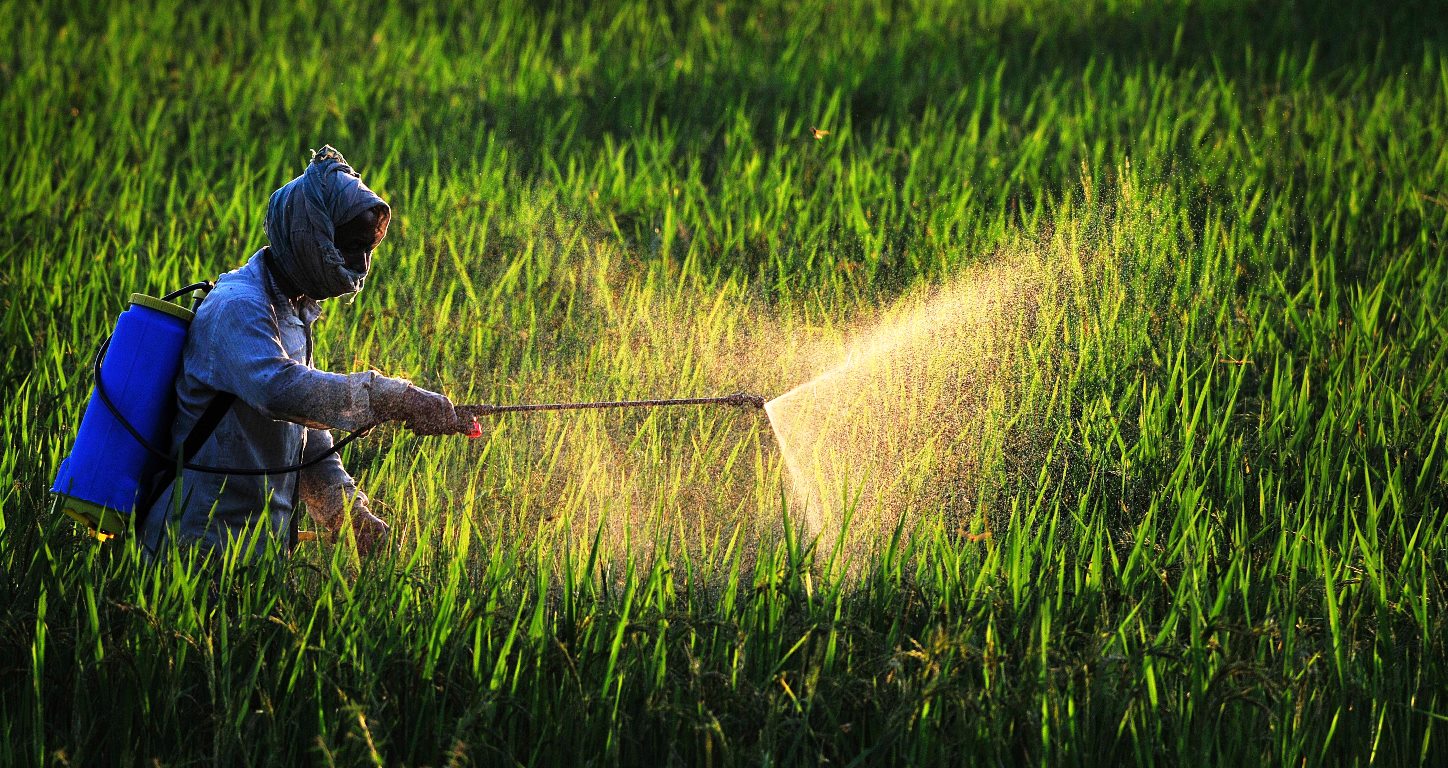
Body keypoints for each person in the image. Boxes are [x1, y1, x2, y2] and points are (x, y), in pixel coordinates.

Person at [140, 145, 461, 559]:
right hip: (194, 547)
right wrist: (390, 397)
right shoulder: (238, 307)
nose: (360, 263)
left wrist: (344, 511)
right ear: (312, 233)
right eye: (349, 245)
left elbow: (302, 432)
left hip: (256, 554)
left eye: (367, 248)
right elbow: (281, 392)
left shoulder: (294, 309)